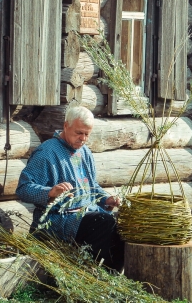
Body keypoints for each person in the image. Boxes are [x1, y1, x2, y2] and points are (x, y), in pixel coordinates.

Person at [16, 106, 124, 270]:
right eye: (79, 133)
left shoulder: (84, 152)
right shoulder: (47, 152)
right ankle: (98, 276)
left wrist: (106, 199)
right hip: (58, 219)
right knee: (104, 223)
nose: (83, 138)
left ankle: (115, 279)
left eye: (87, 134)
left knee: (120, 224)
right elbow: (23, 188)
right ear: (66, 126)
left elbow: (91, 186)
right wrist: (50, 192)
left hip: (85, 214)